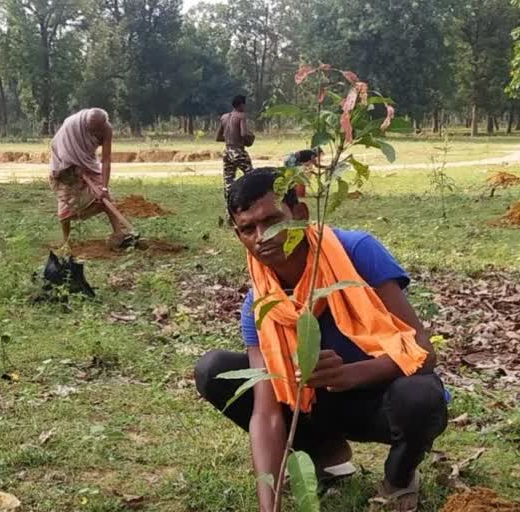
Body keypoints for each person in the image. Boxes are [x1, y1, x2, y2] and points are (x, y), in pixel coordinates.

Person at [194, 169, 447, 512]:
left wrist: (350, 374)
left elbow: (424, 352)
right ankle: (325, 453)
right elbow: (267, 413)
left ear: (299, 215)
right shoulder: (260, 303)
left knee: (421, 395)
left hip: (379, 402)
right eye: (247, 229)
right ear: (238, 235)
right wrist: (267, 507)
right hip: (313, 408)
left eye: (272, 221)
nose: (262, 237)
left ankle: (398, 479)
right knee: (214, 371)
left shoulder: (356, 252)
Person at [49, 108, 132, 250]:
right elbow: (59, 148)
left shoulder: (107, 129)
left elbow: (106, 160)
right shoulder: (71, 125)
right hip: (65, 168)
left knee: (105, 197)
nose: (94, 133)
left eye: (97, 130)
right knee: (65, 205)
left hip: (88, 163)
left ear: (104, 124)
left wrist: (104, 188)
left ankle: (118, 233)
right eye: (91, 129)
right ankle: (66, 241)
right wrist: (71, 166)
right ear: (85, 124)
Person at [217, 95, 254, 202]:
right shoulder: (241, 116)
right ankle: (250, 200)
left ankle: (229, 207)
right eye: (244, 105)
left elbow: (218, 137)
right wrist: (250, 138)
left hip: (227, 151)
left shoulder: (224, 117)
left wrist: (230, 139)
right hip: (238, 150)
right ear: (241, 104)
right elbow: (243, 133)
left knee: (228, 179)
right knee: (251, 175)